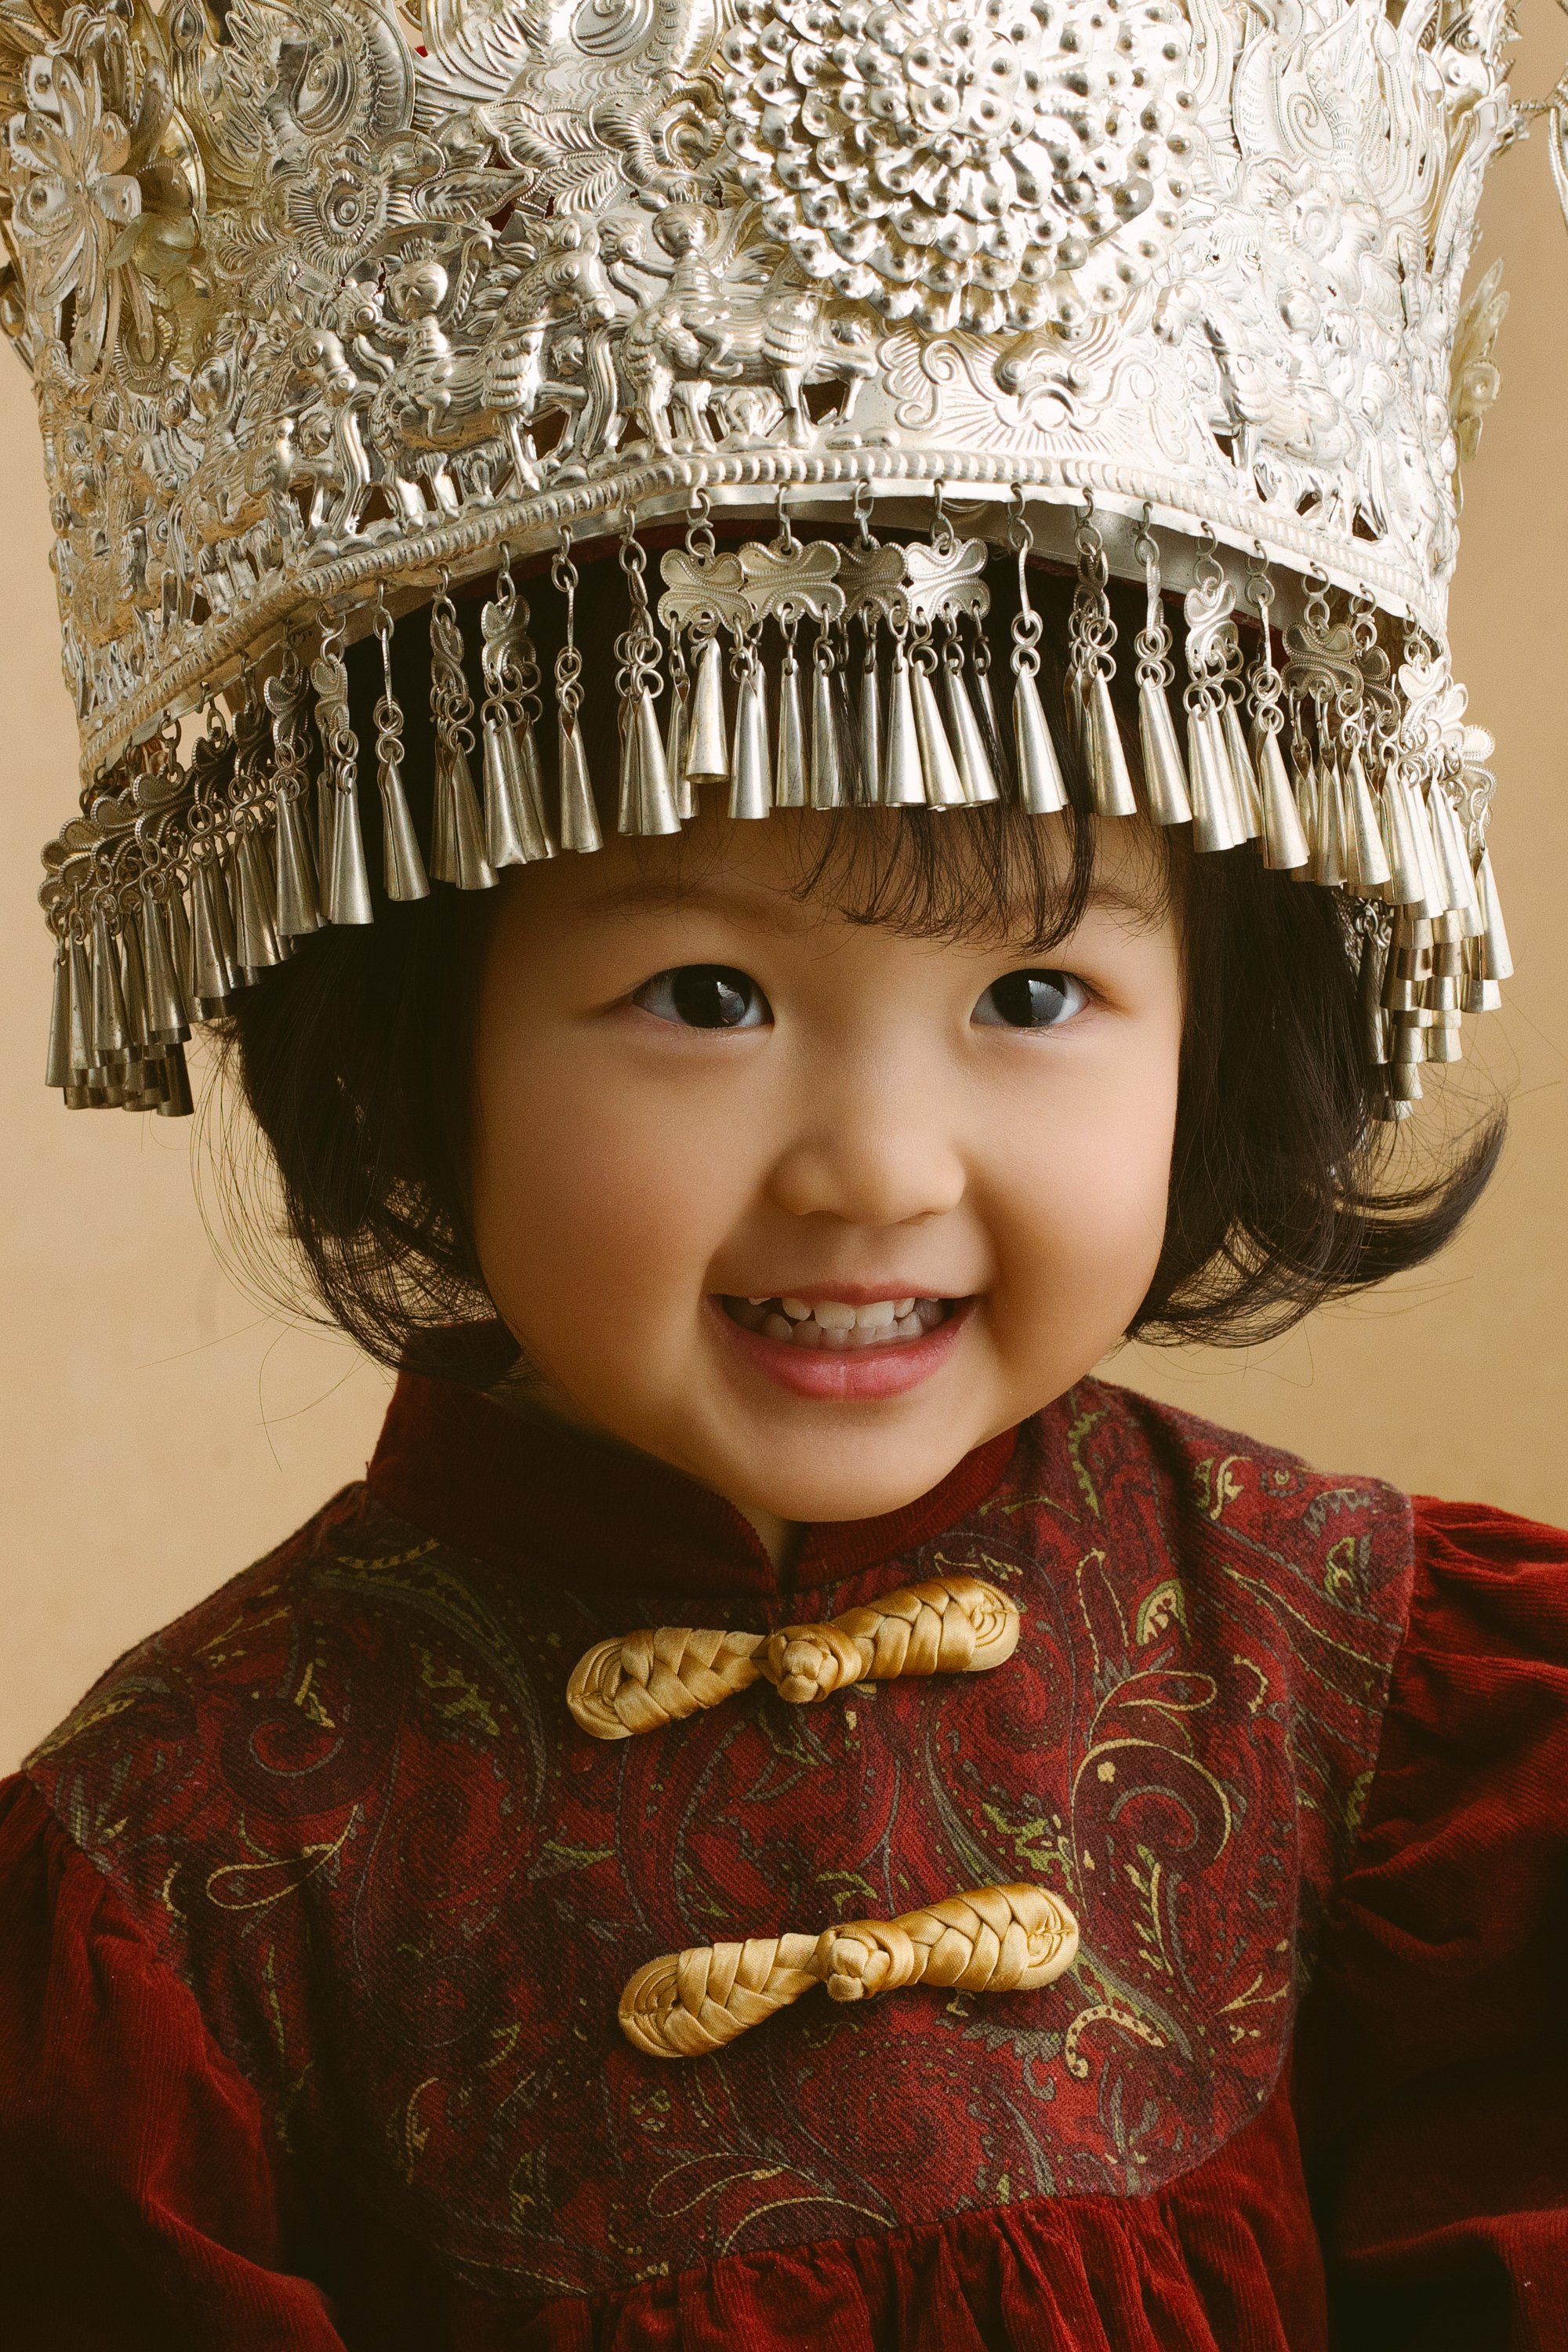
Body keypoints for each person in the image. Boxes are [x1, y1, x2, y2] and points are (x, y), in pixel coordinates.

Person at [2, 1, 1565, 2344]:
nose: (877, 1165)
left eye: (1034, 996)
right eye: (709, 1000)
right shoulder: (195, 1873)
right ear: (420, 1029)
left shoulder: (1383, 1708)